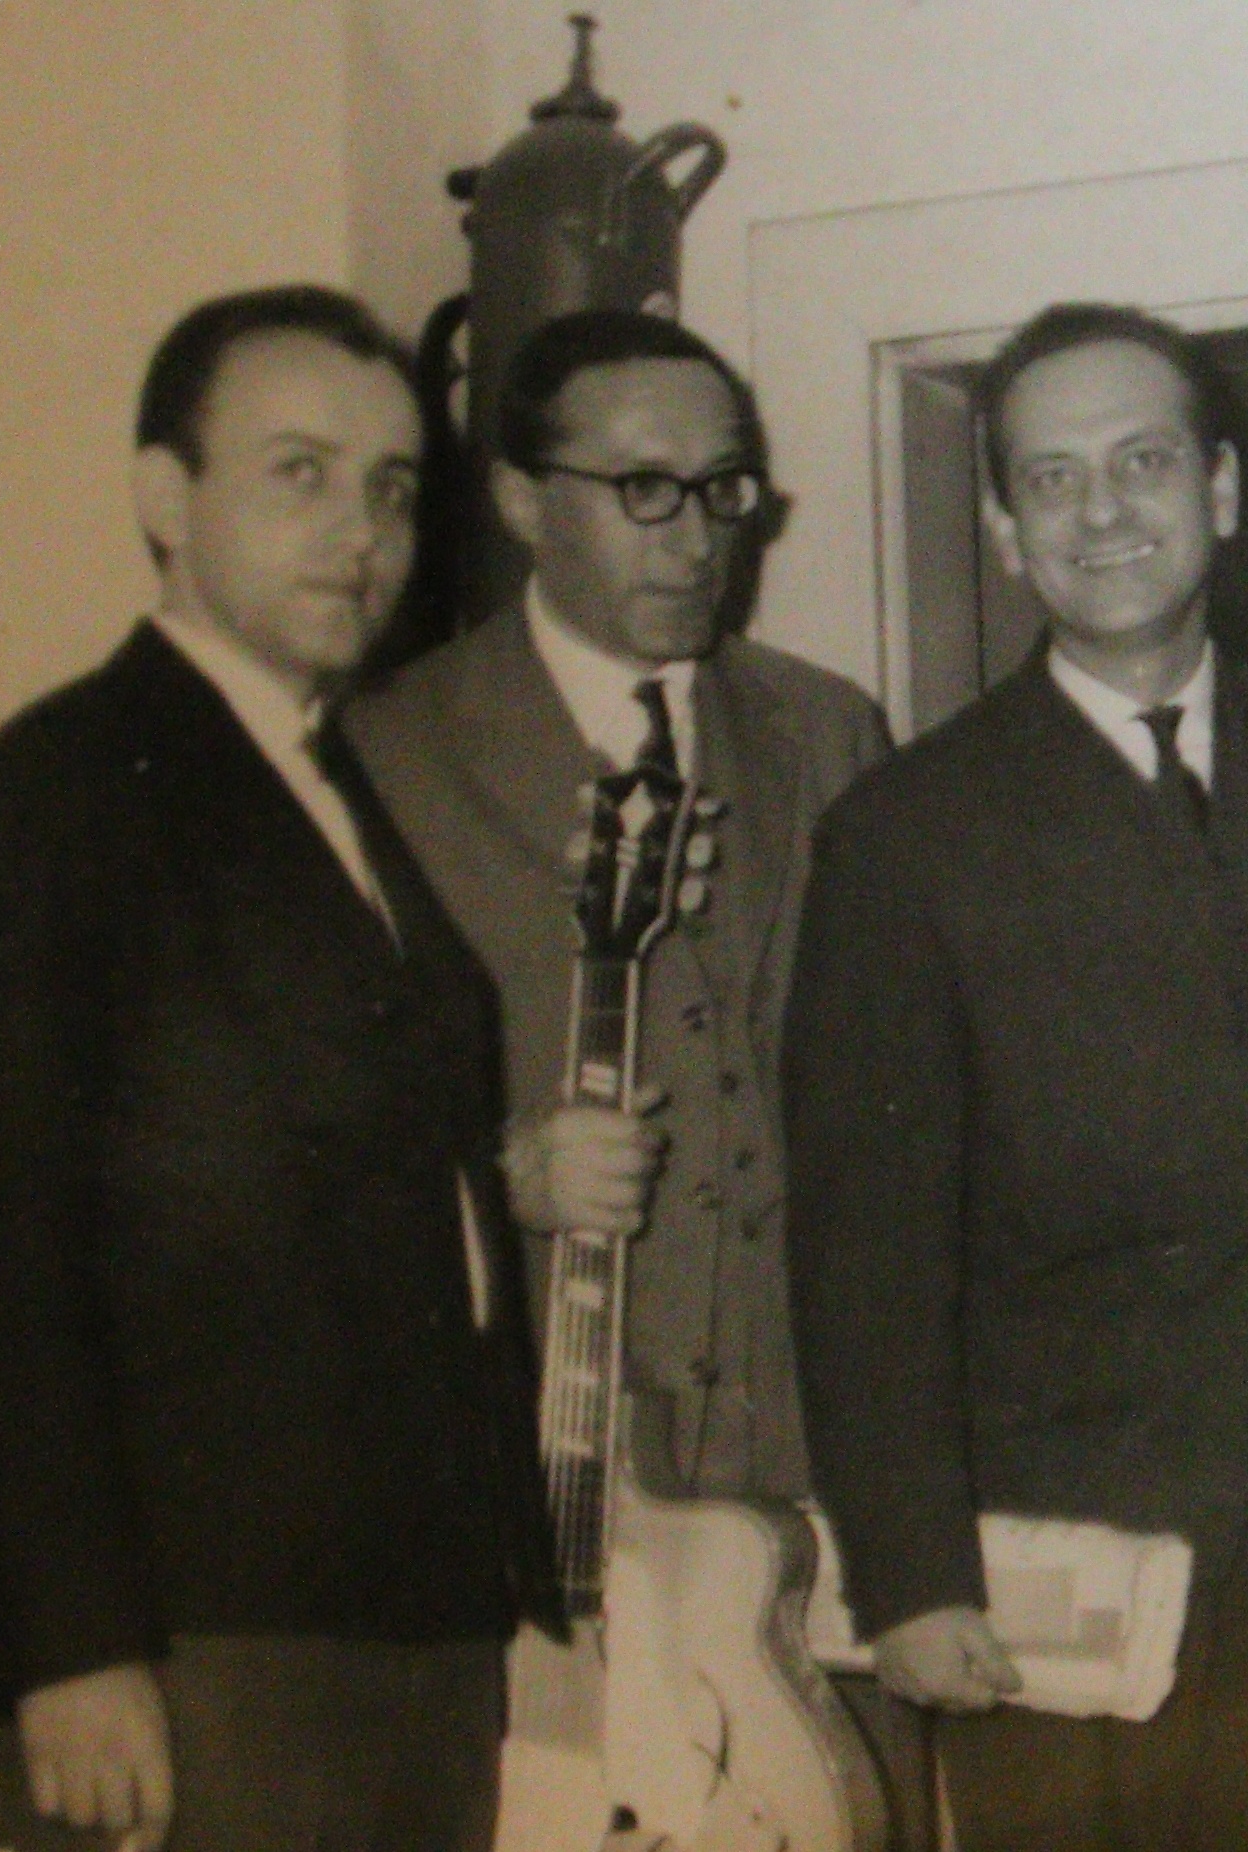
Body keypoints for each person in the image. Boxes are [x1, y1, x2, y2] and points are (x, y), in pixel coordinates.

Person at [0, 286, 560, 1852]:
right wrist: (72, 1648)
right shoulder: (54, 794)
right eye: (298, 473)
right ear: (162, 499)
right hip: (202, 1650)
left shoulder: (320, 778)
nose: (360, 533)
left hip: (402, 1621)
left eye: (392, 487)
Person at [783, 303, 1248, 1851]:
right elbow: (863, 1243)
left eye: (1142, 461)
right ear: (1006, 531)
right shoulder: (904, 833)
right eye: (1051, 478)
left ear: (1219, 490)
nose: (1101, 511)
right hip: (1051, 1557)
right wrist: (910, 1573)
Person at [343, 309, 900, 1827]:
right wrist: (502, 1179)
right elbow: (309, 1147)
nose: (699, 536)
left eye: (725, 489)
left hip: (818, 1487)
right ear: (523, 500)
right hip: (547, 1505)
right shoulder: (386, 756)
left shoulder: (828, 732)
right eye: (645, 489)